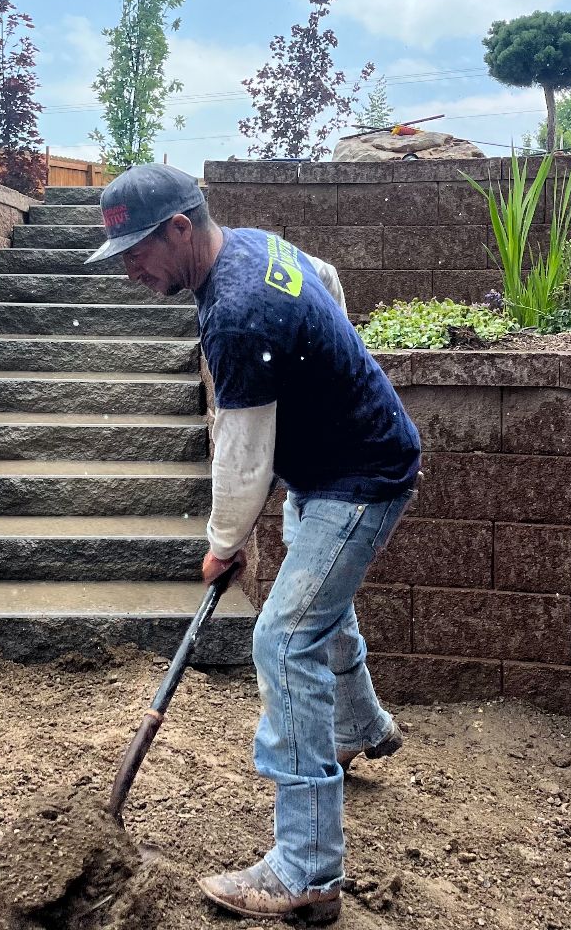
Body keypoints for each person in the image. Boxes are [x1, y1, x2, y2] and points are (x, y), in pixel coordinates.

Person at [87, 163, 421, 924]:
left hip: (360, 478)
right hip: (334, 466)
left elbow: (240, 451)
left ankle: (305, 871)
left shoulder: (236, 313)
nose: (132, 270)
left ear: (179, 228)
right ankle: (359, 727)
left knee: (283, 639)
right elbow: (326, 281)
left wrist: (223, 542)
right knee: (316, 611)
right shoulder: (254, 247)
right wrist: (329, 377)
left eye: (138, 251)